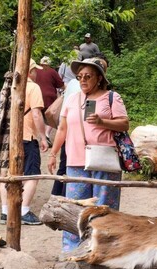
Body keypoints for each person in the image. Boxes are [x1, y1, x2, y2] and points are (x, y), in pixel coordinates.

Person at [47, 57, 128, 252]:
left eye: (88, 76)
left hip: (104, 161)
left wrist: (103, 122)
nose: (83, 80)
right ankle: (71, 252)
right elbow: (62, 128)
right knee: (75, 209)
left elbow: (124, 123)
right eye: (79, 76)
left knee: (103, 210)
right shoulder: (73, 98)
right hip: (75, 162)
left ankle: (103, 251)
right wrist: (53, 153)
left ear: (99, 78)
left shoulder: (111, 97)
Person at [0, 59, 49, 225]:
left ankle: (5, 211)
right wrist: (43, 137)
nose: (36, 73)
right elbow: (36, 114)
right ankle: (24, 210)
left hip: (7, 136)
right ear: (29, 71)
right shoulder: (33, 87)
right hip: (27, 137)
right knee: (32, 175)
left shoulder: (8, 86)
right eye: (35, 70)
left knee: (7, 174)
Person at [35, 56, 65, 144]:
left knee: (38, 115)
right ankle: (47, 134)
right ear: (49, 64)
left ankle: (40, 135)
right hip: (49, 97)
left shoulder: (35, 71)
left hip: (37, 96)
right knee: (51, 115)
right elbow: (61, 85)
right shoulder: (52, 71)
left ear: (40, 63)